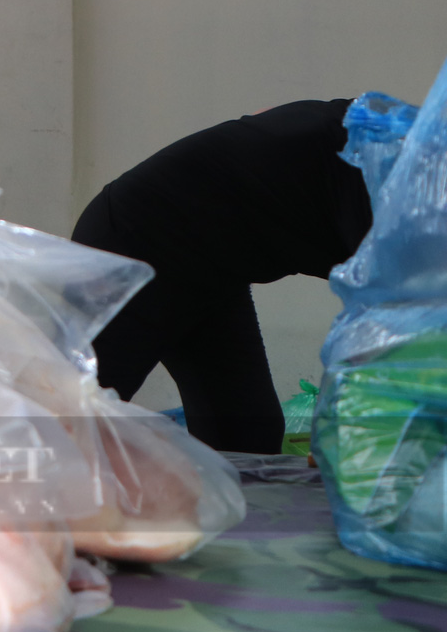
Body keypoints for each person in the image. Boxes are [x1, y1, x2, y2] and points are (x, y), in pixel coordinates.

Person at [71, 98, 372, 454]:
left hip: (213, 265)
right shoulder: (381, 162)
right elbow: (395, 312)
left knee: (246, 433)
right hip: (135, 240)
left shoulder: (378, 139)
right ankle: (18, 500)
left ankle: (220, 505)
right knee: (80, 419)